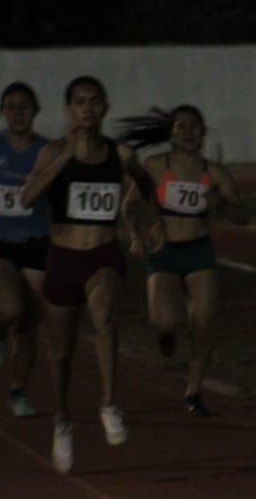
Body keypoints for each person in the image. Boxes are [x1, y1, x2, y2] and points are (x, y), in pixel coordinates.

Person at [20, 76, 160, 474]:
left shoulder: (120, 154)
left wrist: (145, 221)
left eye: (94, 102)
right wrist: (64, 160)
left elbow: (146, 185)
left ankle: (109, 404)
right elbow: (28, 198)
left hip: (102, 253)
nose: (87, 109)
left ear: (105, 108)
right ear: (68, 110)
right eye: (79, 102)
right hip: (63, 258)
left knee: (103, 312)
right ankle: (63, 419)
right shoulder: (52, 152)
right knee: (60, 355)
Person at [119, 105, 247, 417]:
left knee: (203, 324)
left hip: (198, 251)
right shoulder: (154, 166)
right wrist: (136, 236)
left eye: (194, 126)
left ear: (203, 132)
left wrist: (221, 205)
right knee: (164, 321)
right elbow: (129, 207)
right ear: (171, 132)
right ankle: (166, 335)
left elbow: (242, 216)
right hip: (163, 252)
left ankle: (193, 392)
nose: (188, 132)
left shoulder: (214, 172)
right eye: (181, 126)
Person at [0, 82, 50, 418]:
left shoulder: (46, 151)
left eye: (24, 106)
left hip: (37, 242)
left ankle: (18, 391)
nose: (18, 113)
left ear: (35, 111)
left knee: (30, 324)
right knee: (10, 308)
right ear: (3, 111)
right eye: (12, 106)